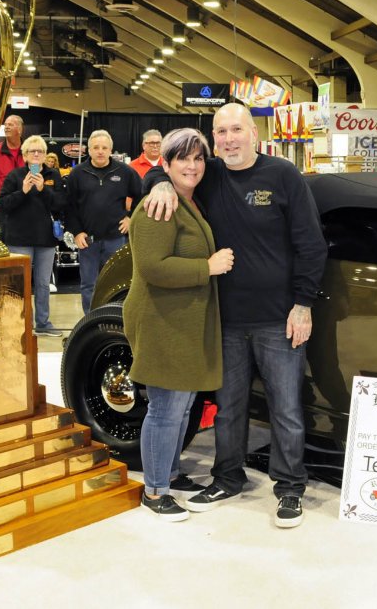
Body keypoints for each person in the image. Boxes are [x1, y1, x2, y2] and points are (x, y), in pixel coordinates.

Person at [143, 102, 326, 528]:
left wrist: (303, 304)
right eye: (221, 131)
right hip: (223, 318)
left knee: (285, 408)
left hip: (277, 318)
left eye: (236, 130)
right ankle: (227, 476)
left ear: (254, 134)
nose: (228, 138)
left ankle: (289, 488)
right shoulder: (210, 173)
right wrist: (159, 184)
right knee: (228, 408)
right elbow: (171, 169)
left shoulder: (283, 176)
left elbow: (312, 245)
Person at [127, 128, 233, 521]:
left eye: (198, 158)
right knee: (166, 409)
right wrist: (207, 267)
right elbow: (153, 267)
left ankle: (169, 473)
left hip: (183, 321)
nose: (192, 165)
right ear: (166, 164)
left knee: (183, 406)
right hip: (161, 321)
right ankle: (154, 492)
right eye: (182, 158)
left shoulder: (188, 202)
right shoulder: (160, 206)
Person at [65, 129, 142, 313]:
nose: (100, 151)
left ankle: (114, 319)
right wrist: (76, 232)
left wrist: (131, 218)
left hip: (116, 239)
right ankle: (90, 322)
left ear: (111, 150)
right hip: (87, 241)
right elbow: (69, 207)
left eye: (104, 148)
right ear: (88, 150)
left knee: (117, 283)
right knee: (88, 285)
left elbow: (142, 196)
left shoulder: (124, 172)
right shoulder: (77, 174)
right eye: (96, 147)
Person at [0, 135, 66, 337]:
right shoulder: (14, 176)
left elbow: (60, 204)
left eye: (40, 151)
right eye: (32, 151)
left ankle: (43, 323)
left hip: (45, 239)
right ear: (25, 155)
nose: (36, 155)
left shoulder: (54, 175)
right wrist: (23, 191)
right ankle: (20, 324)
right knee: (19, 284)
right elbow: (3, 205)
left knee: (43, 284)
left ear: (46, 155)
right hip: (19, 240)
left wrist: (42, 189)